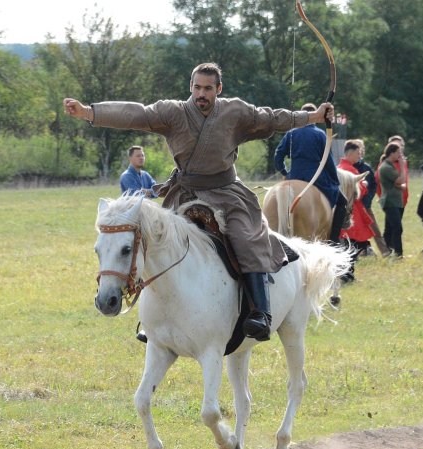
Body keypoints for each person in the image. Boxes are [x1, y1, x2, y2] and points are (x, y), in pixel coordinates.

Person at [64, 62, 334, 341]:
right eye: (197, 87)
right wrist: (88, 112)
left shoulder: (235, 112)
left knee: (246, 236)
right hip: (184, 192)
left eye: (208, 88)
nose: (201, 94)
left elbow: (273, 118)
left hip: (227, 193)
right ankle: (151, 319)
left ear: (219, 89)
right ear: (190, 87)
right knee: (154, 243)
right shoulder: (172, 113)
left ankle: (260, 313)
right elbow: (136, 113)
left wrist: (313, 116)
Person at [273, 103, 345, 244]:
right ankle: (334, 240)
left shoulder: (291, 133)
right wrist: (335, 180)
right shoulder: (320, 134)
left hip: (294, 175)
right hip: (316, 178)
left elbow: (278, 156)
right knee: (342, 202)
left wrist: (284, 172)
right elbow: (328, 160)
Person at [338, 140, 374, 279]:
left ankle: (347, 273)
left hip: (350, 210)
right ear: (351, 153)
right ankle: (347, 273)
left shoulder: (341, 167)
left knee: (353, 243)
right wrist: (364, 184)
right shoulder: (350, 170)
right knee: (354, 243)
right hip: (353, 212)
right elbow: (360, 190)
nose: (359, 157)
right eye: (358, 154)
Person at [353, 139, 389, 256]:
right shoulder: (348, 167)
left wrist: (368, 198)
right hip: (353, 207)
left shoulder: (366, 167)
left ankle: (384, 252)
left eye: (362, 149)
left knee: (375, 229)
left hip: (365, 205)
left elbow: (373, 184)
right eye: (358, 149)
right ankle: (358, 253)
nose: (360, 151)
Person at [377, 142, 406, 257]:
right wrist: (402, 167)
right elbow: (400, 180)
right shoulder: (386, 167)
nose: (400, 156)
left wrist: (399, 184)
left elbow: (397, 183)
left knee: (389, 229)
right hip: (390, 202)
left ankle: (388, 252)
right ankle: (398, 254)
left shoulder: (390, 166)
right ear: (391, 153)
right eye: (398, 153)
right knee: (397, 228)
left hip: (396, 202)